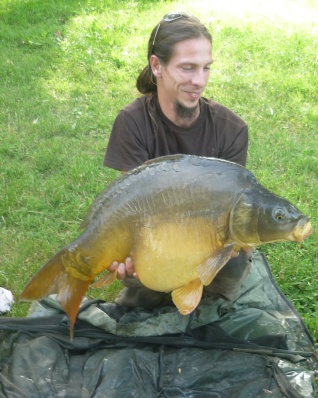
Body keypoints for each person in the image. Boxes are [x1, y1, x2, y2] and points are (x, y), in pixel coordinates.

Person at [103, 11, 252, 308]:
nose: (199, 81)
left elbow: (231, 212)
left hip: (207, 241)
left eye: (206, 68)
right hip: (155, 240)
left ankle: (206, 300)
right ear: (156, 65)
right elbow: (133, 207)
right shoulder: (132, 122)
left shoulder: (232, 130)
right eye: (187, 68)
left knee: (233, 264)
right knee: (137, 270)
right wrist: (126, 253)